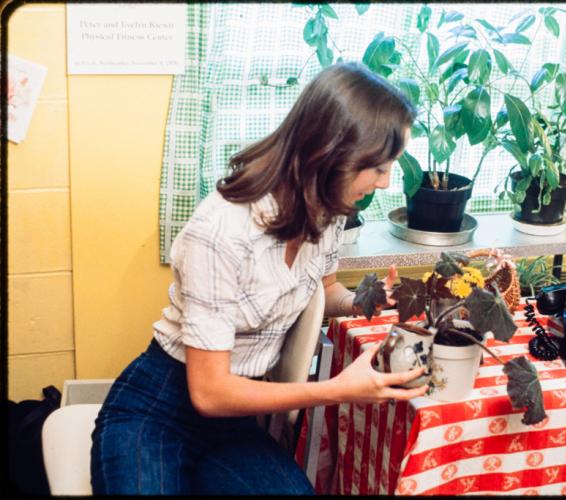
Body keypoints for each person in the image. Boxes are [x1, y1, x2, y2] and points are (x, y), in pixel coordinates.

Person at [90, 61, 427, 495]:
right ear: (332, 153)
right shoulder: (220, 231)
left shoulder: (327, 211)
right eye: (379, 167)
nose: (385, 183)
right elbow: (208, 393)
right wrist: (336, 390)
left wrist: (370, 298)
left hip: (235, 418)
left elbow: (324, 290)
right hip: (160, 406)